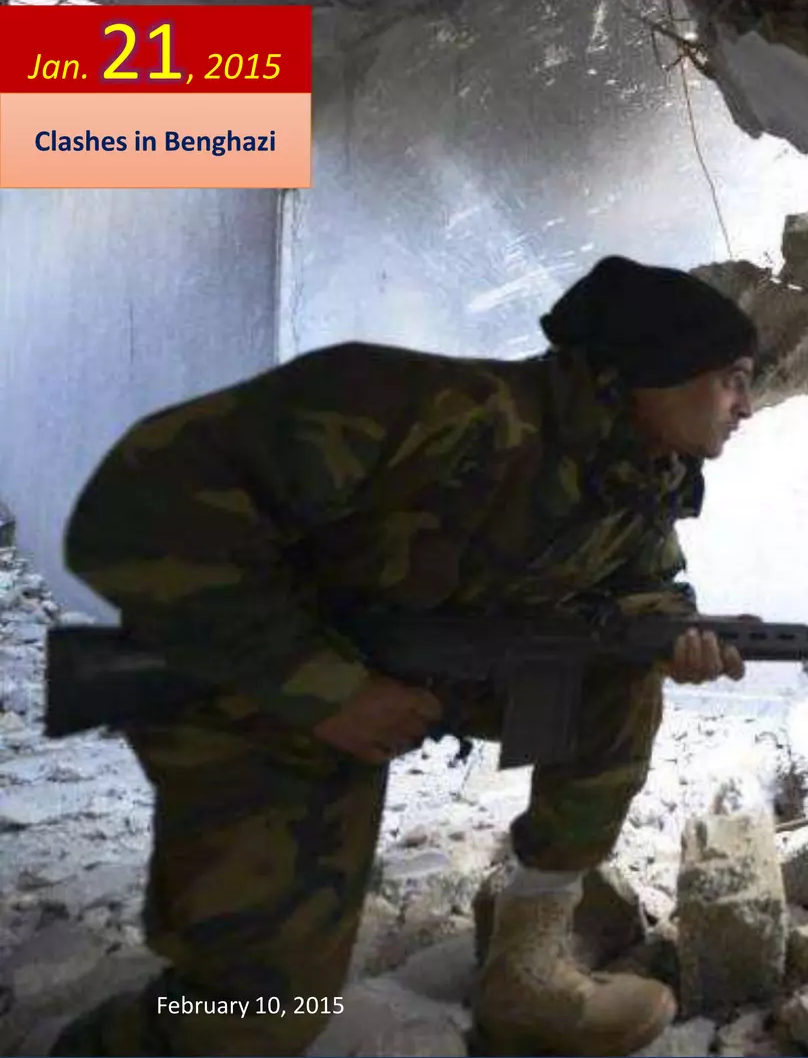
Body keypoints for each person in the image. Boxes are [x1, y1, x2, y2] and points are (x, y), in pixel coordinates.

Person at [49, 256, 759, 1056]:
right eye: (733, 378)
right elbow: (132, 512)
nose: (747, 406)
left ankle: (525, 974)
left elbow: (640, 584)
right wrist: (330, 691)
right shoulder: (428, 411)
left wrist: (677, 636)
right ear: (659, 366)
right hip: (252, 684)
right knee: (256, 1017)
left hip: (407, 675)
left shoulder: (637, 474)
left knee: (612, 672)